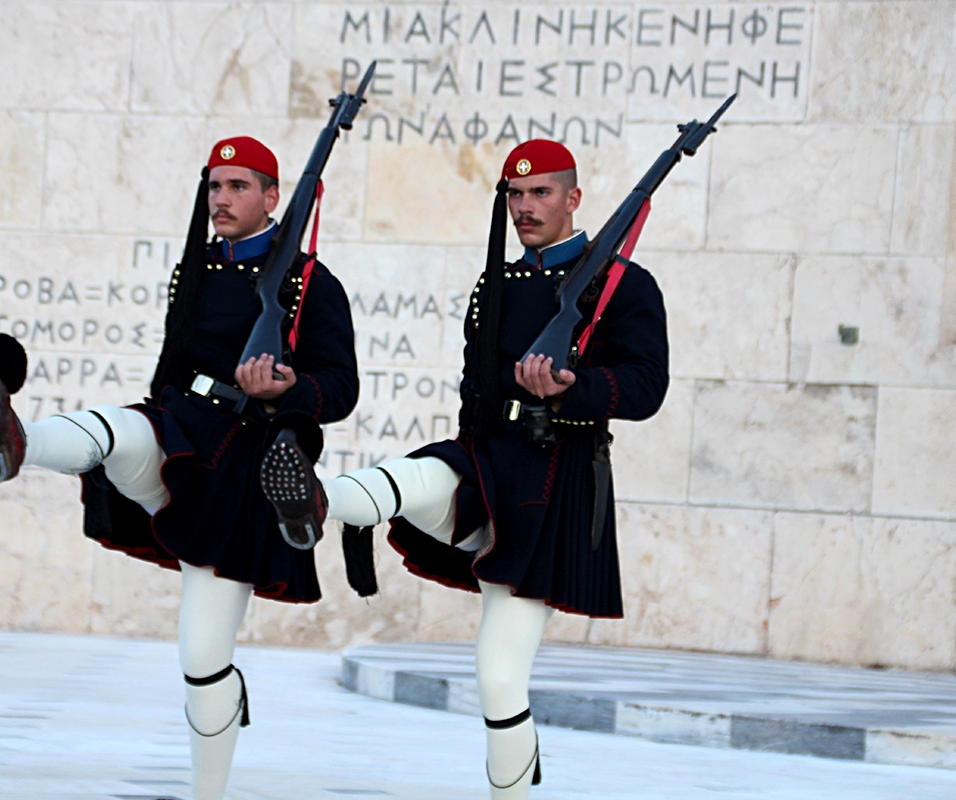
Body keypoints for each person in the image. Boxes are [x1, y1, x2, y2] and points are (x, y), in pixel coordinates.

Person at [0, 136, 359, 800]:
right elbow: (173, 361)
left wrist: (285, 390)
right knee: (115, 430)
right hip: (176, 429)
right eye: (214, 186)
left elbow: (340, 389)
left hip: (241, 465)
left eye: (236, 187)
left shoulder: (313, 283)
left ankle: (208, 791)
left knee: (202, 661)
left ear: (272, 197)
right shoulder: (197, 267)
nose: (220, 199)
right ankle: (13, 441)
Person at [260, 140, 668, 798]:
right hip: (484, 454)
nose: (524, 206)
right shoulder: (498, 283)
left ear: (573, 199)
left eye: (540, 193)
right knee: (415, 476)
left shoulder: (624, 285)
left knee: (499, 679)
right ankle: (316, 499)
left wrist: (569, 387)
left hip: (554, 476)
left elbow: (646, 387)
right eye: (514, 193)